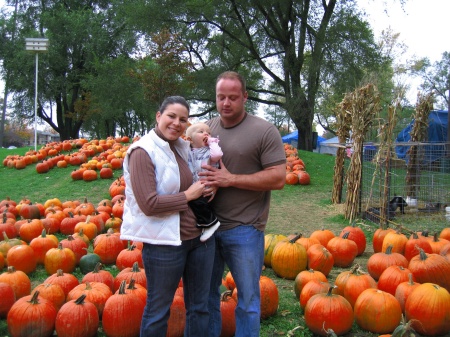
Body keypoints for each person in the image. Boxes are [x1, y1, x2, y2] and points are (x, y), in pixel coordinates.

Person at [199, 71, 286, 336]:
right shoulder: (206, 129)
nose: (226, 103)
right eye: (221, 97)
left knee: (248, 301)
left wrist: (230, 179)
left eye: (233, 97)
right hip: (207, 229)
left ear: (245, 97)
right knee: (207, 298)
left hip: (245, 228)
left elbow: (279, 177)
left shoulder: (264, 131)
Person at [120, 96, 216, 337]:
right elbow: (149, 204)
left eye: (183, 119)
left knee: (199, 308)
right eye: (171, 116)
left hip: (200, 240)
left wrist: (210, 185)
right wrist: (188, 195)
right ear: (158, 116)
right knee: (158, 310)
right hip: (165, 245)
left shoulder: (182, 148)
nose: (176, 123)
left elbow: (203, 170)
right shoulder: (143, 152)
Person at [185, 122, 223, 242]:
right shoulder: (189, 151)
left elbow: (218, 155)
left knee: (197, 202)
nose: (206, 133)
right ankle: (204, 224)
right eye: (201, 132)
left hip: (207, 183)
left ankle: (210, 223)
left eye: (208, 132)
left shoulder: (209, 150)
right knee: (196, 203)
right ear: (190, 139)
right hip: (196, 184)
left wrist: (212, 142)